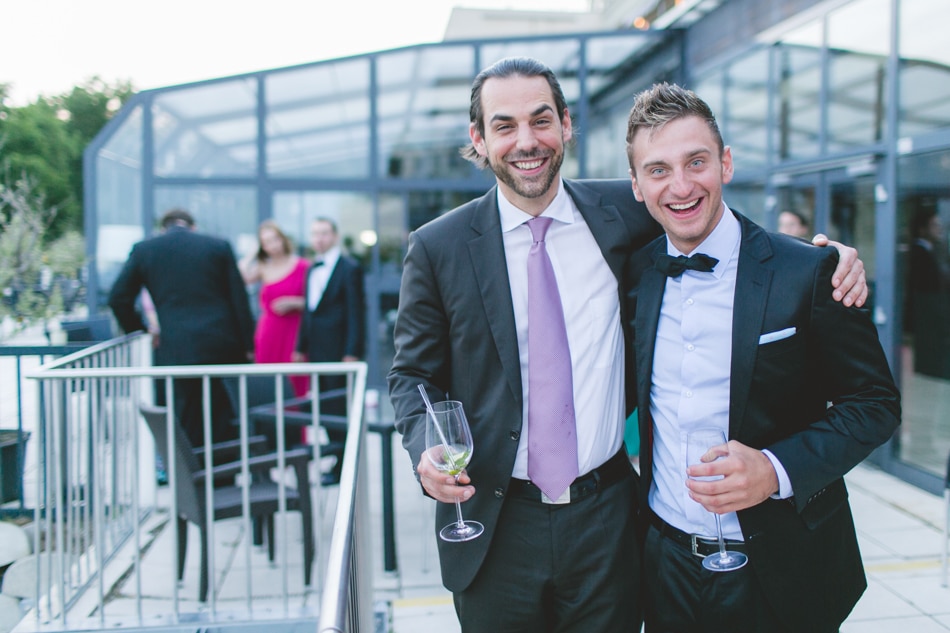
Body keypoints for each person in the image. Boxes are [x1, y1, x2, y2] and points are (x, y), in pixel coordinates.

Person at [387, 56, 867, 633]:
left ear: (565, 124)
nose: (526, 141)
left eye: (541, 120)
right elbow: (412, 375)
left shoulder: (624, 210)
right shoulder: (437, 248)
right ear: (479, 139)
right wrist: (425, 449)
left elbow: (704, 211)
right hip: (495, 522)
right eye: (504, 125)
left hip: (607, 518)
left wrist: (826, 257)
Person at [623, 82, 901, 633]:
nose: (680, 186)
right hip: (664, 565)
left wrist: (774, 472)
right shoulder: (633, 273)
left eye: (696, 161)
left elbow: (875, 405)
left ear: (725, 162)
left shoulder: (810, 272)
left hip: (783, 567)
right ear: (635, 185)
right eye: (657, 170)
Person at [109, 208, 255, 448]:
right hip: (220, 345)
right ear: (192, 226)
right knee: (221, 411)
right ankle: (222, 474)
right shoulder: (217, 246)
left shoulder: (146, 249)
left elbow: (118, 299)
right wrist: (248, 345)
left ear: (163, 228)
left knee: (184, 411)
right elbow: (238, 300)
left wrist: (142, 331)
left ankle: (189, 474)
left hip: (176, 347)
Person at [292, 217, 365, 484]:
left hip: (339, 351)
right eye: (314, 234)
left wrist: (351, 350)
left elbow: (356, 311)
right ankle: (338, 459)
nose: (319, 239)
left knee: (339, 409)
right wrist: (301, 347)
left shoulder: (349, 267)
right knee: (323, 409)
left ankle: (343, 465)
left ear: (334, 236)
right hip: (317, 353)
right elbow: (309, 314)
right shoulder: (311, 269)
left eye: (323, 233)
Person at [239, 220, 309, 396]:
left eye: (275, 239)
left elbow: (316, 303)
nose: (273, 246)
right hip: (268, 332)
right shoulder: (263, 268)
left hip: (294, 331)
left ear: (283, 239)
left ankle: (295, 422)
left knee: (293, 379)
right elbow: (240, 276)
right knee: (267, 378)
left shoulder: (302, 266)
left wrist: (295, 303)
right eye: (266, 242)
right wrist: (252, 253)